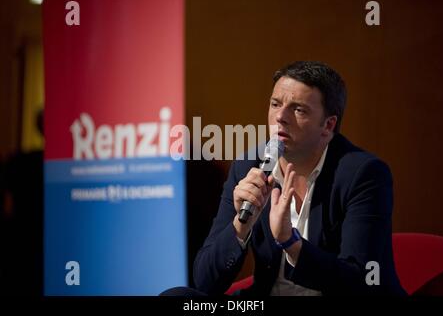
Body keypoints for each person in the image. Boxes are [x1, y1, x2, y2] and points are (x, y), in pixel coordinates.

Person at [163, 61, 406, 296]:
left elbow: (361, 281)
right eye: (275, 104)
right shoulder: (249, 166)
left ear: (328, 125)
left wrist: (290, 242)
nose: (280, 117)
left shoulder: (363, 174)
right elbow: (204, 282)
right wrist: (241, 225)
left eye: (298, 109)